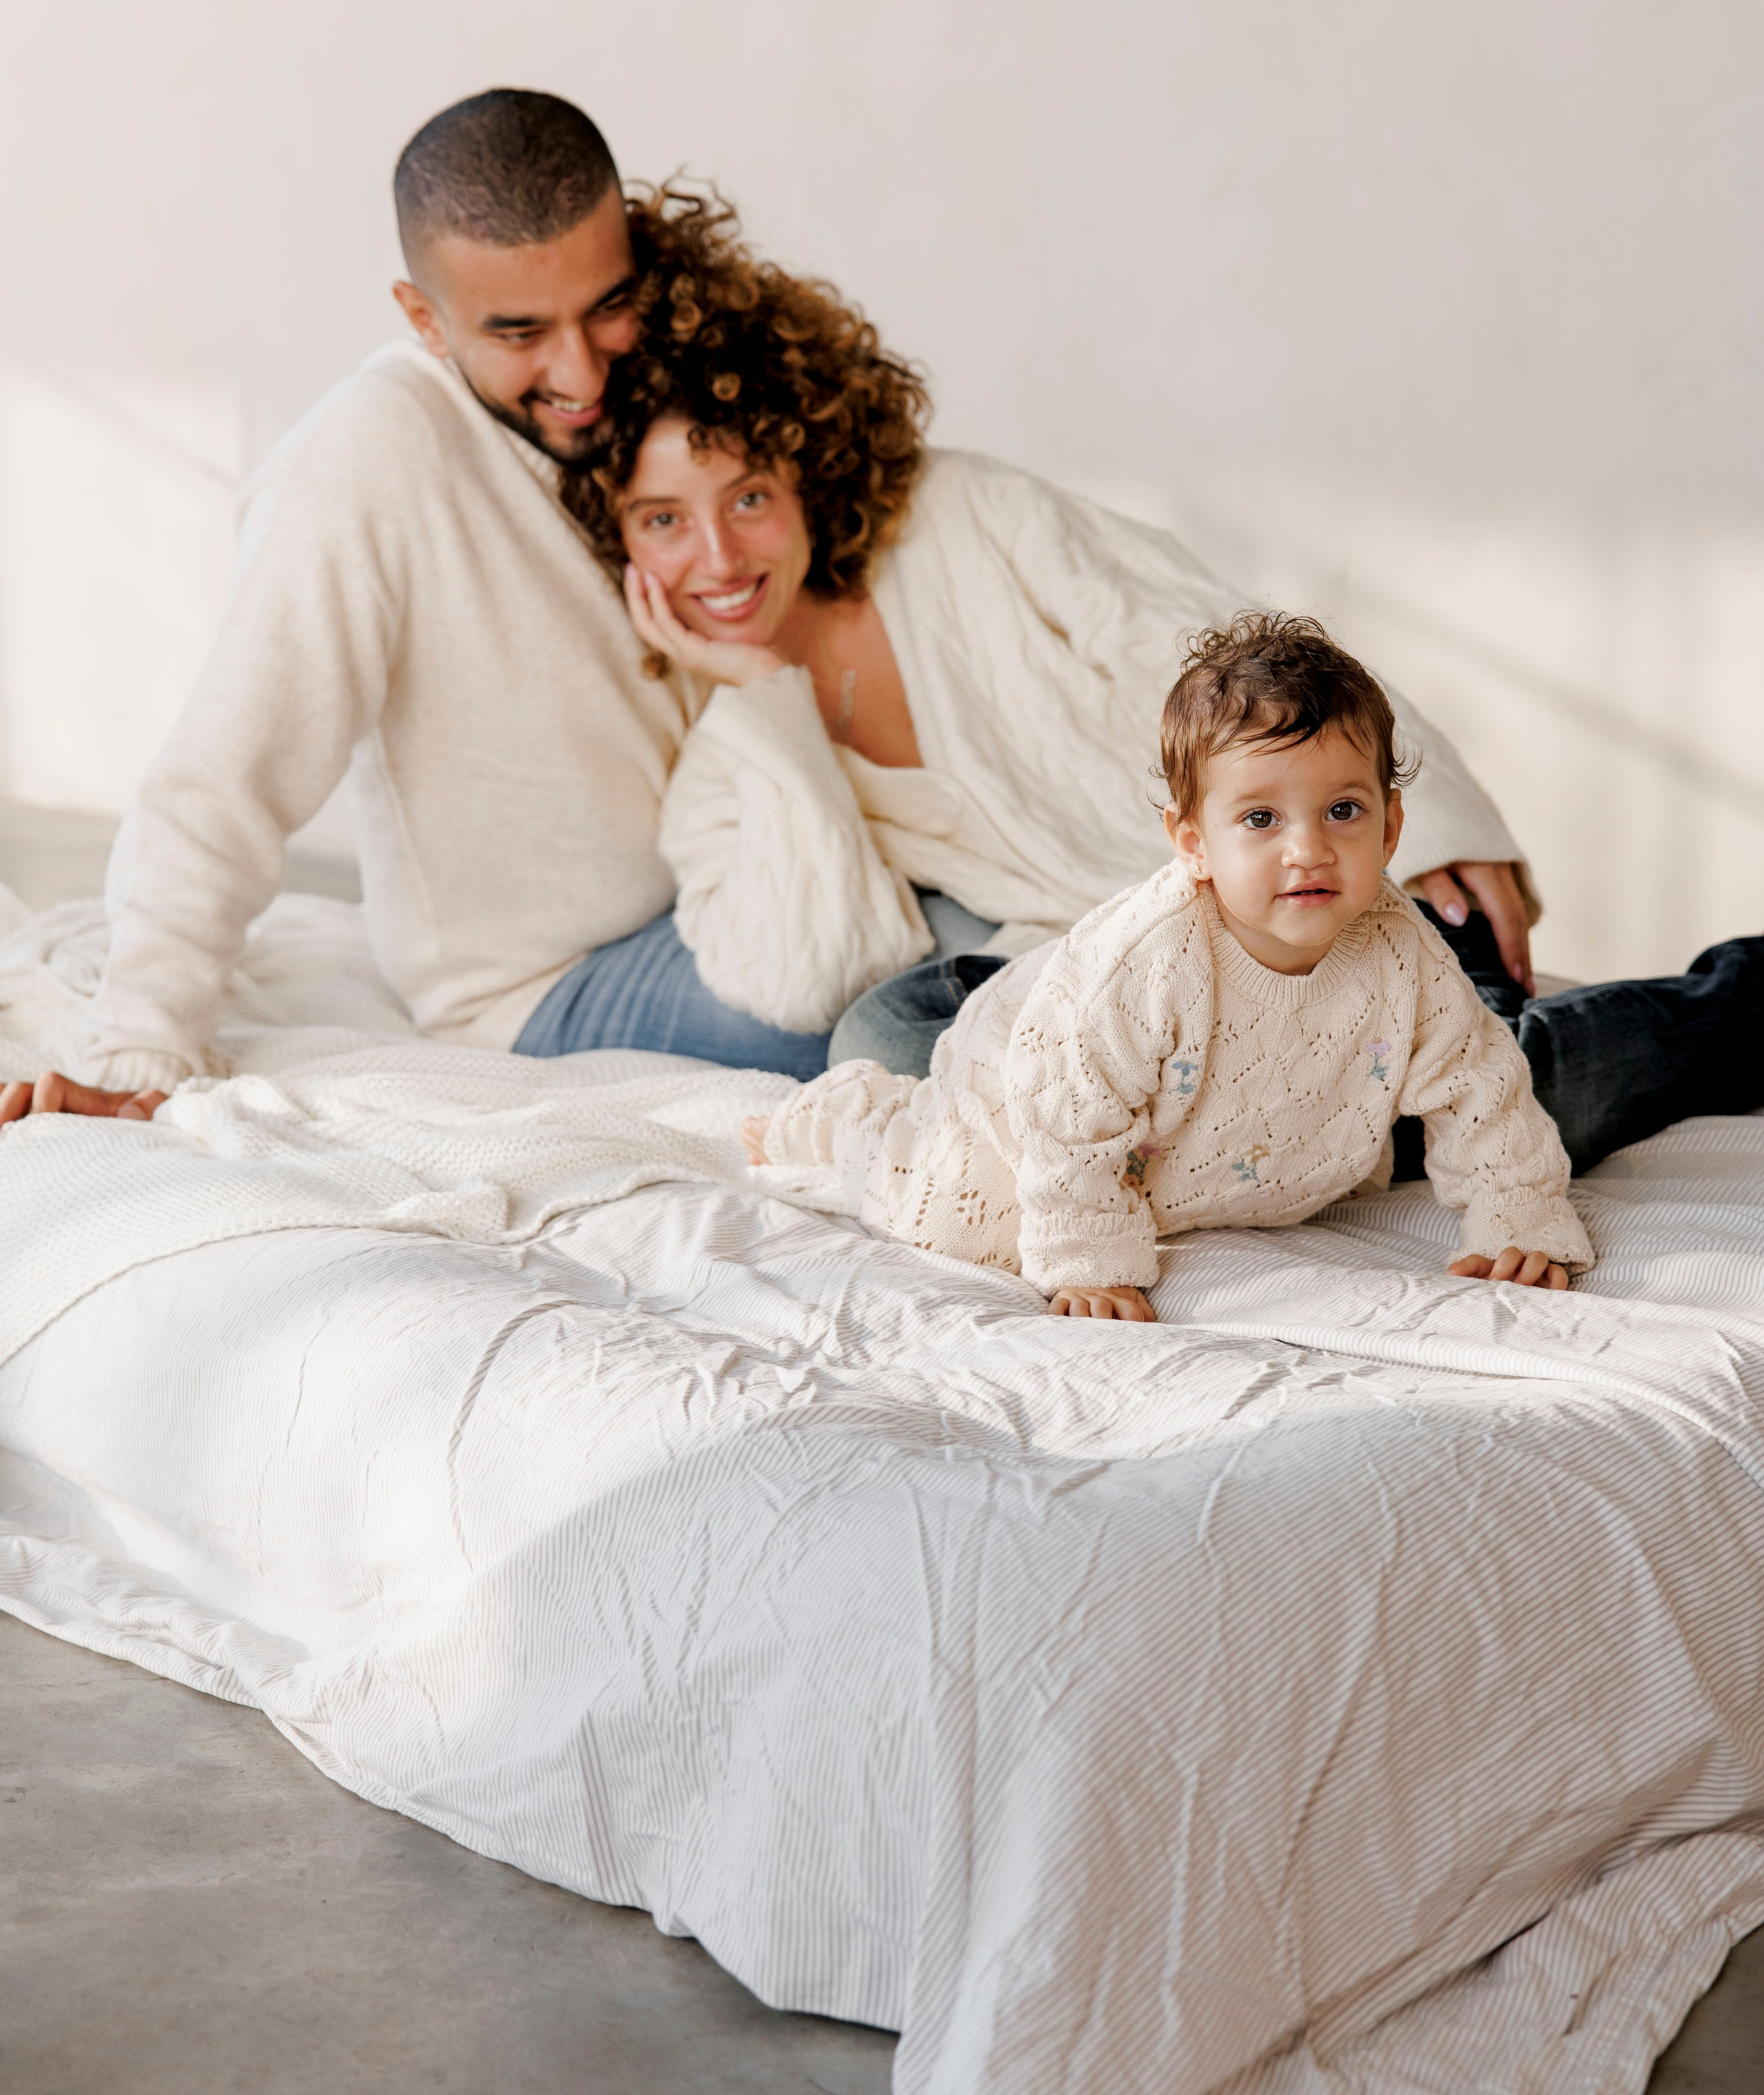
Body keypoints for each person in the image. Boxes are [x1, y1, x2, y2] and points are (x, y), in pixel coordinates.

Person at [0, 92, 1549, 1130]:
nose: (582, 371)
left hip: (762, 868)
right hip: (561, 972)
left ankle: (1418, 1027)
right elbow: (227, 769)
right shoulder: (368, 463)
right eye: (517, 331)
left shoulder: (636, 412)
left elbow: (1183, 617)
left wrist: (1437, 804)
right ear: (421, 316)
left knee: (1117, 945)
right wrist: (138, 1041)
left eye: (608, 304)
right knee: (962, 1042)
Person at [742, 615, 1594, 1316]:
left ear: (1391, 828)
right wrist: (1089, 1259)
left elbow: (1476, 1076)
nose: (1309, 850)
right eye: (1260, 819)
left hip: (1223, 1151)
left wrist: (1516, 1213)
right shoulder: (1156, 961)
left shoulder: (1399, 944)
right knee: (937, 1187)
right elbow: (1072, 1106)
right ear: (1194, 845)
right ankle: (833, 1117)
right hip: (1030, 1077)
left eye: (1342, 810)